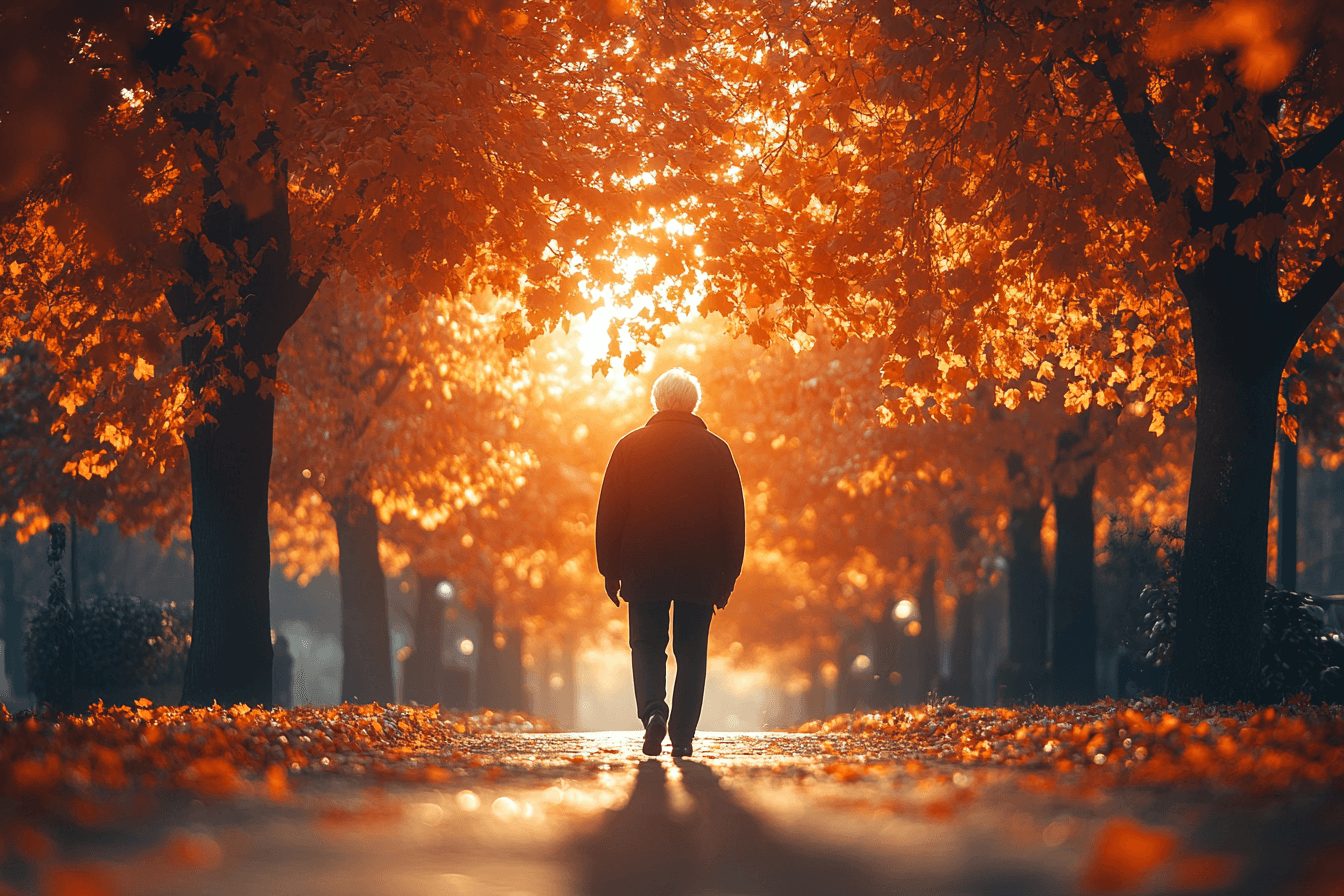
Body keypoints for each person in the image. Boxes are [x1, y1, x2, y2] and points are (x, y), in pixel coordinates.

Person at [596, 368, 746, 757]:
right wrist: (728, 575)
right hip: (700, 567)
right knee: (692, 650)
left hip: (644, 564)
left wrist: (610, 569)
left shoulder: (628, 447)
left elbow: (610, 514)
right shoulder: (717, 450)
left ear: (657, 401)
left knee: (646, 644)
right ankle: (682, 736)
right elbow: (734, 518)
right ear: (693, 403)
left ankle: (652, 714)